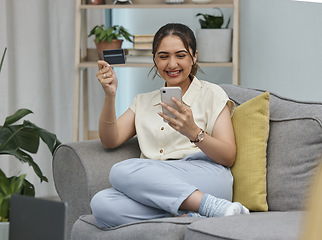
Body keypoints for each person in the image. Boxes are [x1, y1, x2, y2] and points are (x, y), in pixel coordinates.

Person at [90, 23, 249, 228]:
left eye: (181, 55)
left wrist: (194, 132)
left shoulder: (212, 94)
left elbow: (228, 156)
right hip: (157, 180)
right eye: (164, 56)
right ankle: (188, 216)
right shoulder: (143, 101)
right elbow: (110, 140)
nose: (172, 64)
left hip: (205, 175)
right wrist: (110, 96)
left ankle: (212, 207)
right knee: (102, 203)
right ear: (155, 59)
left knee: (122, 170)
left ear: (194, 57)